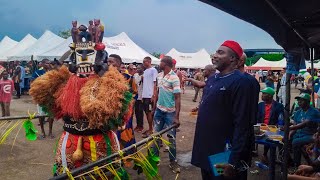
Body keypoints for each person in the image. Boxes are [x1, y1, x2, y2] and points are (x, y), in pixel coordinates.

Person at [192, 40, 254, 179]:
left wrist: (233, 161)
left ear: (232, 58)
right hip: (206, 148)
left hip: (223, 152)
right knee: (207, 176)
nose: (214, 55)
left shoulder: (241, 82)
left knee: (221, 178)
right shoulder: (212, 78)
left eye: (220, 52)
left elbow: (242, 123)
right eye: (215, 52)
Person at [151, 56, 181, 173]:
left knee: (171, 139)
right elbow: (157, 93)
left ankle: (173, 163)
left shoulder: (174, 78)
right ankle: (155, 159)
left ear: (166, 64)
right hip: (159, 111)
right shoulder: (159, 76)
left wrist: (176, 117)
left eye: (161, 62)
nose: (159, 64)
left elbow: (178, 98)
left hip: (170, 113)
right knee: (155, 137)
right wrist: (154, 108)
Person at [107, 54, 137, 153]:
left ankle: (126, 156)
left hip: (124, 113)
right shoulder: (104, 78)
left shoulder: (129, 78)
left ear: (119, 64)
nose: (109, 64)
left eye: (112, 62)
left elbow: (134, 95)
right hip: (109, 112)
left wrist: (124, 107)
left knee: (124, 133)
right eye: (108, 62)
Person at [289, 93, 320, 167]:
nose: (299, 102)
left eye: (302, 101)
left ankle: (296, 165)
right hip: (299, 134)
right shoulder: (298, 112)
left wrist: (289, 128)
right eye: (298, 101)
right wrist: (289, 134)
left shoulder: (314, 112)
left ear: (307, 102)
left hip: (311, 135)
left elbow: (304, 124)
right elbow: (295, 125)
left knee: (296, 142)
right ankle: (289, 161)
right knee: (283, 140)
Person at [257, 87, 284, 163]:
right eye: (262, 94)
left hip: (273, 128)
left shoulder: (278, 106)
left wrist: (276, 126)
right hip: (261, 127)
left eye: (264, 94)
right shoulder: (260, 105)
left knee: (274, 138)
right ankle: (264, 155)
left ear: (270, 96)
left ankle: (278, 157)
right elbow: (257, 117)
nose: (262, 95)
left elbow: (281, 119)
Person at [31, 59, 54, 139]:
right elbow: (32, 81)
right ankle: (43, 132)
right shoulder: (38, 72)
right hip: (41, 97)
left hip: (51, 97)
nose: (48, 64)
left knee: (51, 115)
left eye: (49, 63)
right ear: (43, 64)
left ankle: (50, 132)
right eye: (47, 63)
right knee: (41, 115)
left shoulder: (52, 72)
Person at [141, 56, 158, 138]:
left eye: (145, 62)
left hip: (149, 95)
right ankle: (150, 128)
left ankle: (151, 130)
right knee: (146, 113)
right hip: (144, 96)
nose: (143, 63)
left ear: (149, 61)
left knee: (150, 113)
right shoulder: (145, 71)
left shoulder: (153, 70)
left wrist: (153, 95)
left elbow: (155, 83)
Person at [133, 64, 144, 132]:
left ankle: (141, 126)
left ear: (143, 69)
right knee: (136, 112)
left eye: (139, 68)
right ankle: (138, 125)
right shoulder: (135, 75)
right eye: (137, 68)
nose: (137, 69)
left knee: (140, 112)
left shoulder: (144, 76)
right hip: (136, 96)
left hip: (142, 96)